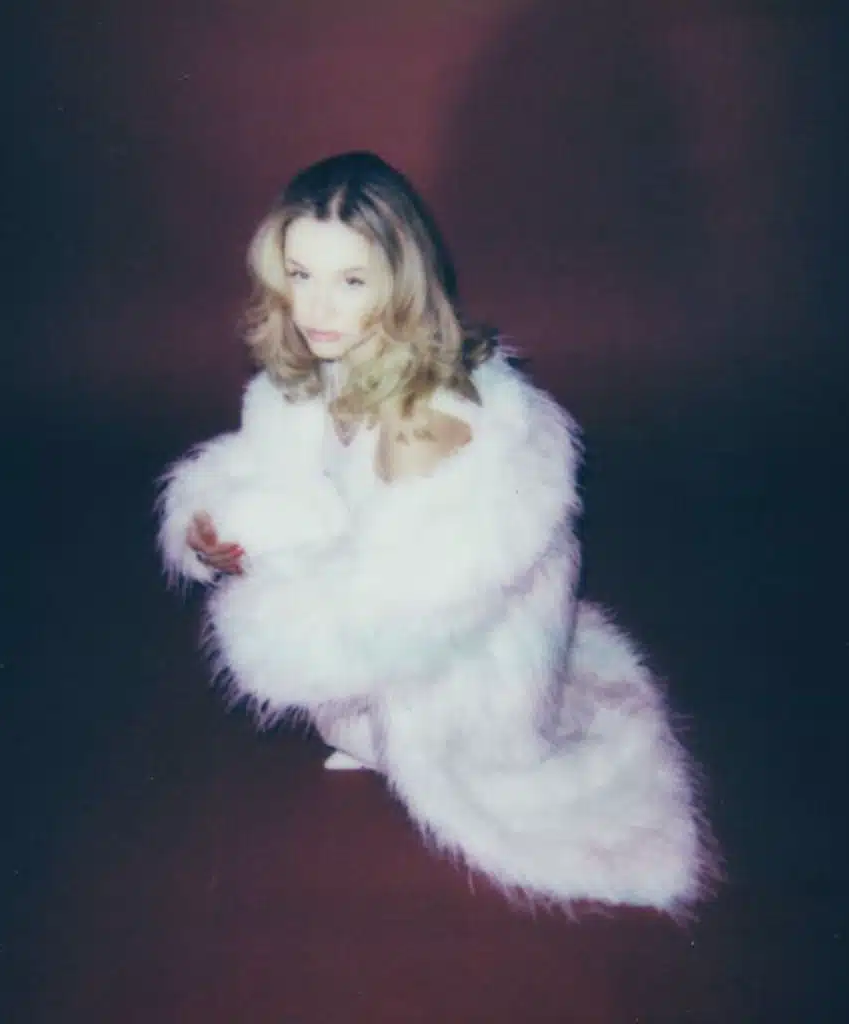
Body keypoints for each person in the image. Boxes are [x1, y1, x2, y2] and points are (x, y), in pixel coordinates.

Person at [156, 151, 715, 916]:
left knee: (389, 736)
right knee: (340, 702)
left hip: (465, 677)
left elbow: (410, 606)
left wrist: (270, 592)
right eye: (301, 274)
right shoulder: (319, 376)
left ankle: (409, 743)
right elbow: (279, 480)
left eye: (352, 281)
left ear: (400, 283)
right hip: (391, 618)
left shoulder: (421, 422)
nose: (318, 306)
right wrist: (218, 530)